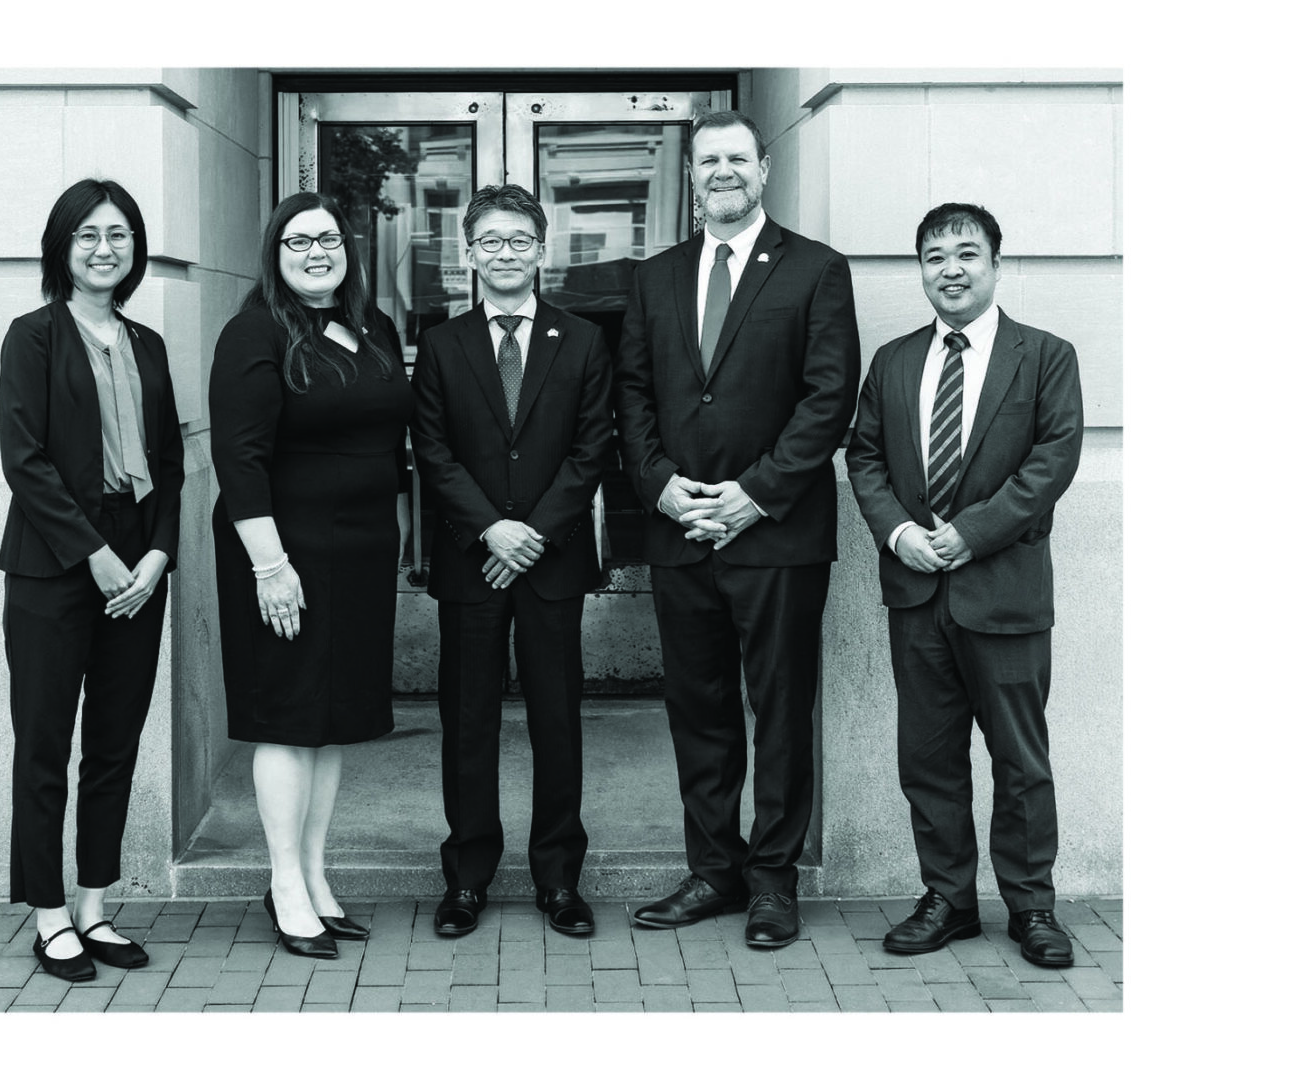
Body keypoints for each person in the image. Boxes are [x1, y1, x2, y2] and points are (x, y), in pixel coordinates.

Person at [613, 110, 860, 949]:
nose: (723, 170)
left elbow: (829, 399)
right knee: (699, 708)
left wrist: (755, 495)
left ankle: (773, 881)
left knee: (781, 710)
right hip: (681, 531)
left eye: (737, 158)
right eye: (708, 159)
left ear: (764, 171)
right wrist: (660, 489)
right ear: (691, 176)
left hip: (777, 534)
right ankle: (713, 869)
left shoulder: (818, 271)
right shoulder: (654, 278)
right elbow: (632, 397)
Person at [844, 203, 1084, 968]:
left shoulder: (1045, 355)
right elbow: (866, 458)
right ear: (920, 270)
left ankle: (1032, 906)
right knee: (930, 758)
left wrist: (970, 533)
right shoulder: (892, 361)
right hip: (916, 595)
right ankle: (948, 898)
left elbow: (1052, 462)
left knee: (1020, 761)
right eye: (933, 256)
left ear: (996, 265)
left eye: (965, 253)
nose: (949, 269)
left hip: (1004, 591)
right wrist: (900, 532)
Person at [209, 192, 413, 960]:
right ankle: (284, 883)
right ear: (275, 252)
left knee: (334, 724)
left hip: (358, 553)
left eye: (329, 238)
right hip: (282, 553)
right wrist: (270, 567)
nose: (316, 252)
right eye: (299, 241)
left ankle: (316, 877)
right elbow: (240, 460)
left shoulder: (375, 327)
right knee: (289, 717)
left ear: (349, 247)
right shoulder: (254, 331)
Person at [410, 185, 614, 939]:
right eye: (490, 241)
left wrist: (532, 533)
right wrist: (490, 531)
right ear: (468, 253)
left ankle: (559, 878)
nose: (504, 253)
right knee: (468, 723)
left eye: (518, 240)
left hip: (551, 562)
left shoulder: (583, 341)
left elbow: (594, 447)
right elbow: (431, 451)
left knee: (557, 721)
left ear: (542, 249)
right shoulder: (440, 343)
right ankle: (467, 877)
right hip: (473, 563)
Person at [0, 178, 185, 982]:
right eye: (89, 236)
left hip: (139, 564)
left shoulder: (148, 344)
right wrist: (95, 555)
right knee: (45, 741)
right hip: (55, 565)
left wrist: (156, 555)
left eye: (119, 235)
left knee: (113, 743)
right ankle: (48, 916)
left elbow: (173, 466)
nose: (105, 249)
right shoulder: (32, 336)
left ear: (135, 249)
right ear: (62, 248)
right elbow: (25, 462)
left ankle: (94, 904)